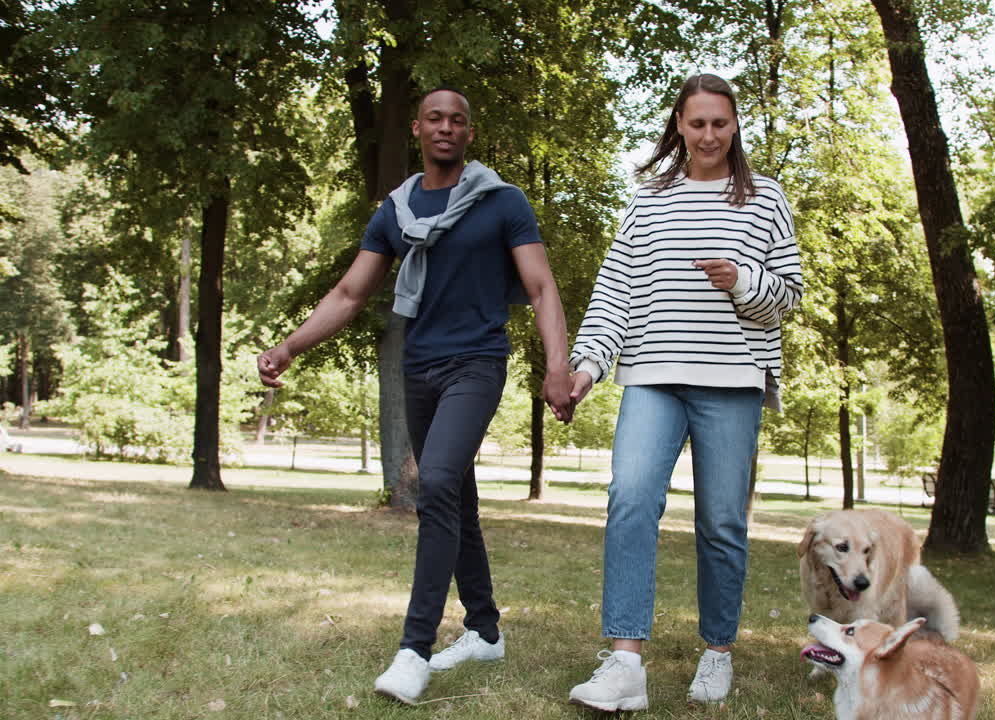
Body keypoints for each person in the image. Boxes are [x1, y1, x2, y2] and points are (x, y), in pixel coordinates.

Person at [257, 87, 574, 706]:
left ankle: (414, 650)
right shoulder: (396, 211)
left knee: (436, 485)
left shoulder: (502, 201)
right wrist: (290, 346)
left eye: (458, 119)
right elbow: (349, 294)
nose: (446, 127)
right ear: (417, 129)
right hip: (420, 369)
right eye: (435, 118)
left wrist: (557, 367)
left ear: (469, 133)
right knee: (456, 497)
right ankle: (484, 630)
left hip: (476, 364)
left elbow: (541, 287)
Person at [566, 73, 803, 711]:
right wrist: (587, 365)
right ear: (679, 124)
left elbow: (788, 296)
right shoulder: (649, 200)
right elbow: (615, 289)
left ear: (735, 125)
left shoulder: (765, 198)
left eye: (719, 123)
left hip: (732, 380)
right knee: (630, 498)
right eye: (697, 123)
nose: (708, 135)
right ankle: (625, 664)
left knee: (721, 521)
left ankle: (717, 650)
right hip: (652, 375)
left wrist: (742, 280)